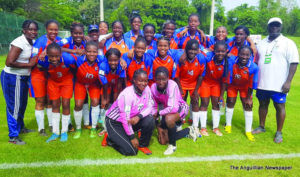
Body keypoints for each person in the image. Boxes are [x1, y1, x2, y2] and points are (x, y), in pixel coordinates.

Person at [252, 17, 299, 143]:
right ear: (268, 27)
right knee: (262, 104)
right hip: (262, 83)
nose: (274, 28)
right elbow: (256, 61)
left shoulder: (288, 43)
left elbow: (294, 63)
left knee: (279, 106)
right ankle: (262, 126)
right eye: (272, 25)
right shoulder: (261, 43)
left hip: (279, 84)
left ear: (281, 27)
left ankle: (279, 132)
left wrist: (288, 81)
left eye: (277, 25)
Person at [1, 20, 38, 145]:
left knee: (22, 104)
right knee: (14, 106)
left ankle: (21, 127)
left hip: (23, 77)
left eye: (35, 29)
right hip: (13, 77)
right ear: (24, 30)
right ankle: (13, 136)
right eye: (30, 29)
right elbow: (9, 62)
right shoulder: (19, 43)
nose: (33, 32)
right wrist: (29, 65)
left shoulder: (31, 42)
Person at [104, 69, 155, 156]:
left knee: (150, 119)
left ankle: (142, 145)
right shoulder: (127, 95)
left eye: (146, 81)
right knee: (131, 151)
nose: (144, 83)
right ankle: (110, 139)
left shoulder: (147, 89)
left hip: (132, 119)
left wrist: (139, 116)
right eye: (140, 81)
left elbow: (150, 106)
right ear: (134, 81)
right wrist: (132, 137)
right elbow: (125, 118)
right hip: (115, 122)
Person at [151, 67, 198, 155]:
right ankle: (188, 130)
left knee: (169, 119)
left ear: (168, 78)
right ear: (155, 78)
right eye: (158, 79)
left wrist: (159, 113)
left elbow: (173, 108)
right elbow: (154, 105)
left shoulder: (172, 85)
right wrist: (156, 119)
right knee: (163, 141)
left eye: (164, 79)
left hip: (180, 108)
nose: (161, 82)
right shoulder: (153, 87)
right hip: (167, 111)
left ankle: (172, 146)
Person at [38, 43, 75, 143]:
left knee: (66, 104)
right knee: (55, 105)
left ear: (61, 54)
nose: (54, 59)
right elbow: (43, 68)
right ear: (47, 55)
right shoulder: (43, 60)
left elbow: (74, 68)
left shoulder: (68, 59)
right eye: (51, 56)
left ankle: (64, 131)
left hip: (66, 82)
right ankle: (55, 132)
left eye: (57, 56)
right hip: (53, 83)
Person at [30, 19, 61, 136]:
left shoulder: (59, 41)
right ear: (46, 29)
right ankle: (41, 128)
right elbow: (35, 58)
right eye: (51, 29)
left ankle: (52, 124)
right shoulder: (40, 41)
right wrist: (42, 55)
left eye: (56, 30)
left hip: (52, 75)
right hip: (39, 74)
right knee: (40, 100)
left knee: (50, 99)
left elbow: (65, 46)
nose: (53, 32)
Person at [221, 45, 258, 141]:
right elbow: (223, 53)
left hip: (245, 87)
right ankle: (228, 125)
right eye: (242, 54)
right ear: (238, 54)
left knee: (248, 105)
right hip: (233, 85)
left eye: (247, 55)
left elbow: (252, 84)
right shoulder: (232, 61)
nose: (244, 57)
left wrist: (249, 98)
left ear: (250, 56)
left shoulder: (253, 67)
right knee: (230, 102)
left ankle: (248, 131)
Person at [198, 41, 232, 136]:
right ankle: (203, 128)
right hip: (205, 83)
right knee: (204, 103)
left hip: (216, 85)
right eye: (218, 51)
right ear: (214, 51)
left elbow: (225, 81)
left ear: (226, 52)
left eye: (222, 51)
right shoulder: (208, 57)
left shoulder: (227, 63)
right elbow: (200, 51)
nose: (220, 53)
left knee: (216, 104)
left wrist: (221, 96)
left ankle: (215, 127)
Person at [72, 41, 105, 139]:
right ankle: (78, 128)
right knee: (78, 104)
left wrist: (121, 60)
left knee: (95, 102)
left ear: (97, 53)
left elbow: (113, 56)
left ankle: (93, 128)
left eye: (94, 52)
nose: (92, 54)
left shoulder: (101, 59)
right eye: (89, 51)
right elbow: (63, 54)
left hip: (94, 84)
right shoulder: (79, 60)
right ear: (85, 52)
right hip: (80, 83)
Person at [174, 39, 206, 136]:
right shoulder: (180, 58)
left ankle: (195, 126)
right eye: (190, 49)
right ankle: (178, 125)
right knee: (181, 104)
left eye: (194, 50)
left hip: (193, 84)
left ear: (198, 50)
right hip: (182, 84)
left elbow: (201, 76)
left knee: (195, 101)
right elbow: (176, 75)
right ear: (186, 50)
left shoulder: (201, 58)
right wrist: (179, 88)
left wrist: (196, 90)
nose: (192, 52)